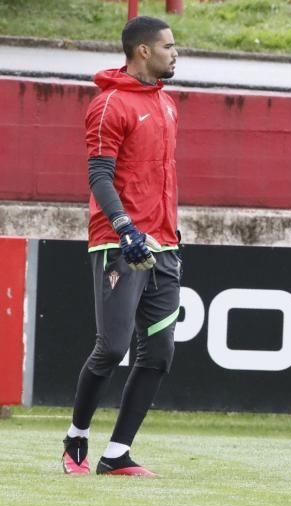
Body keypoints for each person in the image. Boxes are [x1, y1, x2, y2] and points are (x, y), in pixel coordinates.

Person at [61, 16, 181, 477]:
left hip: (165, 245)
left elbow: (161, 176)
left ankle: (116, 455)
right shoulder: (109, 105)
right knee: (111, 348)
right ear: (143, 52)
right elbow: (99, 176)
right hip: (120, 241)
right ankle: (76, 439)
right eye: (168, 46)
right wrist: (124, 227)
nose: (176, 53)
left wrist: (170, 232)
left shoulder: (169, 105)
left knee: (160, 355)